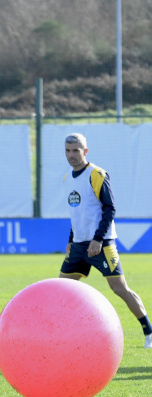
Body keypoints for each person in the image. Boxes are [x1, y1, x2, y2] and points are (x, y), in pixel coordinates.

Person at [59, 132, 152, 348]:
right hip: (79, 245)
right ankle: (64, 335)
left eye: (76, 150)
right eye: (68, 150)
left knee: (119, 289)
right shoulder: (66, 178)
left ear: (85, 151)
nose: (71, 155)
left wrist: (98, 239)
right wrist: (71, 239)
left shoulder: (96, 174)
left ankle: (148, 331)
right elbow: (77, 212)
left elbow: (110, 208)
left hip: (101, 245)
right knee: (61, 289)